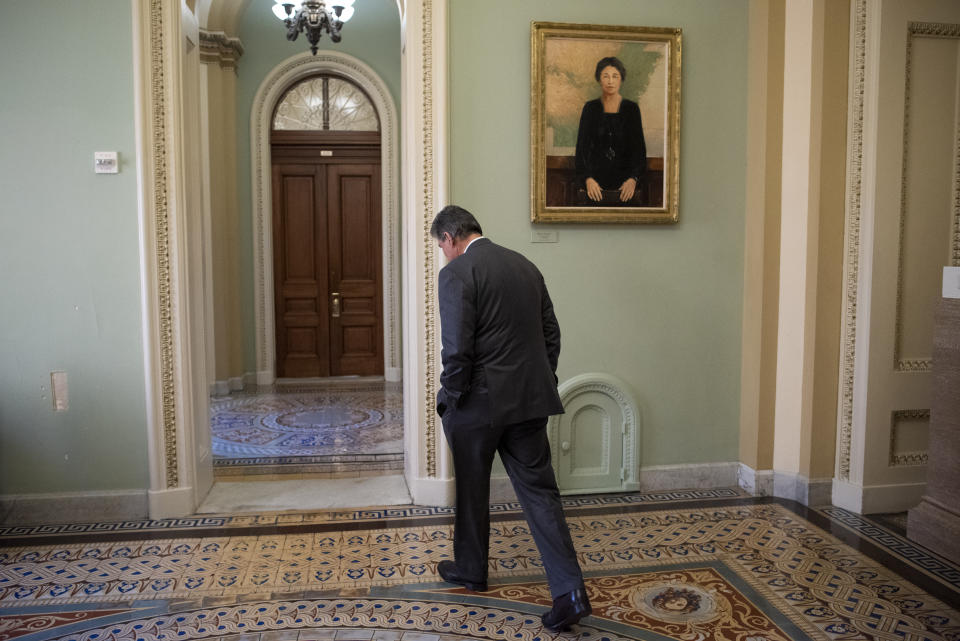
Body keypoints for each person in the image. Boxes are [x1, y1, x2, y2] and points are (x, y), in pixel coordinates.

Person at [430, 205, 591, 632]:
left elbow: (456, 348)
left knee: (471, 486)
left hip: (479, 403)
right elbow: (551, 333)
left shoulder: (457, 273)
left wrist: (454, 395)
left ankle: (471, 570)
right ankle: (569, 591)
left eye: (441, 247)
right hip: (530, 400)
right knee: (541, 494)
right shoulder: (525, 265)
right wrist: (540, 379)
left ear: (449, 237)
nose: (444, 255)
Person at [574, 56, 647, 205]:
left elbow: (639, 151)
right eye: (605, 76)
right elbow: (581, 149)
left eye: (615, 76)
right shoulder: (590, 108)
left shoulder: (631, 109)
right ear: (599, 79)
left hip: (624, 187)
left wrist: (633, 179)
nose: (610, 81)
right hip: (594, 186)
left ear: (621, 79)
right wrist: (588, 179)